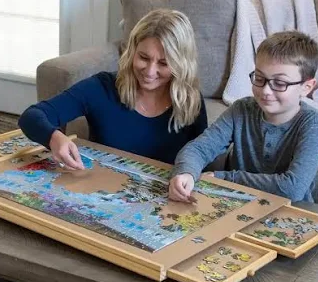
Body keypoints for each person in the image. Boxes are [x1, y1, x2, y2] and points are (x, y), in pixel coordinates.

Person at [19, 9, 207, 169]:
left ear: (181, 64)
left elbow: (201, 159)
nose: (150, 71)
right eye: (143, 57)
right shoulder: (101, 88)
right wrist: (55, 138)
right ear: (132, 51)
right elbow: (32, 116)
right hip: (99, 191)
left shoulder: (190, 101)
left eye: (163, 63)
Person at [169, 31, 318, 203]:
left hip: (291, 210)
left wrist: (226, 178)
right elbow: (198, 149)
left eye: (280, 83)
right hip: (236, 203)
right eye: (259, 78)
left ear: (307, 87)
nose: (266, 91)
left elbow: (292, 188)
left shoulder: (313, 124)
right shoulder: (241, 109)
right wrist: (186, 173)